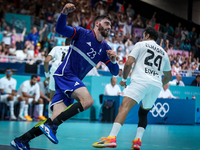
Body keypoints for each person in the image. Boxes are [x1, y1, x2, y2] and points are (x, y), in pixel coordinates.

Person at [10, 3, 119, 150]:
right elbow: (60, 29)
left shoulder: (105, 48)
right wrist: (64, 13)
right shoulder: (82, 33)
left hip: (70, 81)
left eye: (110, 25)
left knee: (54, 118)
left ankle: (21, 140)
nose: (109, 27)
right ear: (97, 23)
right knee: (87, 101)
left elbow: (114, 71)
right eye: (106, 23)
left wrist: (113, 61)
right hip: (65, 74)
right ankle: (52, 126)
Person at [92, 27, 172, 149]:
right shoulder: (164, 53)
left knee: (124, 106)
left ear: (147, 35)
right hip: (155, 85)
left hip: (141, 80)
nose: (142, 36)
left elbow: (128, 63)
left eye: (144, 34)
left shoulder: (141, 45)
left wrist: (124, 80)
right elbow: (169, 76)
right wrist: (159, 84)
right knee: (143, 113)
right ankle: (137, 141)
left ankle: (112, 138)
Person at [44, 38, 71, 117]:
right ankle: (59, 118)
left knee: (52, 98)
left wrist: (47, 75)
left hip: (55, 71)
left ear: (64, 43)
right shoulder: (75, 50)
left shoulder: (56, 48)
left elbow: (46, 61)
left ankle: (49, 119)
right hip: (66, 73)